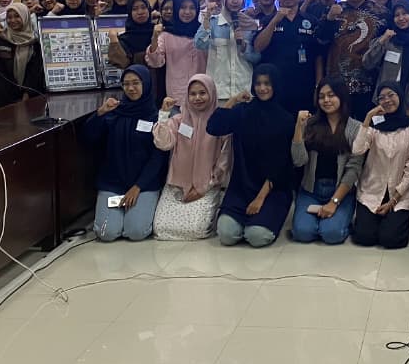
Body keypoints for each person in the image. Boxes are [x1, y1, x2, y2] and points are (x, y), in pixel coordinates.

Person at [207, 65, 295, 248]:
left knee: (257, 236)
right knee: (226, 234)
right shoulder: (243, 111)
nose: (262, 88)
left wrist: (260, 199)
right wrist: (233, 100)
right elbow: (214, 126)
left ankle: (258, 223)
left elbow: (281, 165)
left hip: (272, 189)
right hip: (242, 187)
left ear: (275, 85)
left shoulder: (285, 119)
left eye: (267, 83)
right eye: (258, 83)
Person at [80, 66, 168, 242]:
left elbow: (158, 157)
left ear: (146, 84)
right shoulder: (114, 112)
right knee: (106, 233)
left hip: (143, 185)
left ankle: (138, 211)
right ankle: (120, 217)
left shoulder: (155, 117)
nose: (131, 88)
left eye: (136, 83)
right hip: (113, 183)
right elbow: (88, 137)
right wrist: (100, 113)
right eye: (126, 84)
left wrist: (138, 186)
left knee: (136, 231)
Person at [152, 74, 232, 240]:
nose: (197, 98)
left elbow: (224, 160)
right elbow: (163, 144)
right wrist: (164, 115)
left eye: (202, 93)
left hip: (207, 185)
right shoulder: (178, 120)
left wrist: (205, 187)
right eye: (193, 94)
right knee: (160, 228)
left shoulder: (220, 123)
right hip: (177, 185)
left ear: (211, 93)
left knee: (196, 229)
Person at [350, 82, 409, 249]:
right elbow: (357, 150)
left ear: (400, 97)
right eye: (382, 97)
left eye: (391, 95)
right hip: (372, 190)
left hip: (400, 193)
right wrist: (368, 118)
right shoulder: (374, 126)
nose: (387, 100)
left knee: (391, 240)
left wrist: (393, 200)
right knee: (364, 238)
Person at [291, 78, 363, 244]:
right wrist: (299, 127)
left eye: (331, 95)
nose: (326, 100)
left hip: (340, 191)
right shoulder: (309, 124)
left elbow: (353, 170)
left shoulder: (356, 128)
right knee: (303, 233)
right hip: (311, 190)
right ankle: (317, 221)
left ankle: (336, 221)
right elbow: (299, 161)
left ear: (342, 96)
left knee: (332, 234)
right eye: (321, 96)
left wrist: (334, 201)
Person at [316, 0, 386, 119]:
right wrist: (329, 20)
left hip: (371, 85)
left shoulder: (382, 12)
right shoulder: (333, 10)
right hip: (337, 87)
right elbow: (320, 41)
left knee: (367, 128)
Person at [253, 0, 323, 115]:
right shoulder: (267, 20)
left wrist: (318, 86)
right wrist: (275, 21)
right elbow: (258, 47)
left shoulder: (311, 21)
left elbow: (318, 57)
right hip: (274, 88)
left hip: (304, 87)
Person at [363, 0, 409, 117]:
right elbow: (367, 63)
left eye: (405, 13)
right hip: (384, 101)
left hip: (408, 102)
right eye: (396, 15)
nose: (401, 18)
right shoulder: (388, 39)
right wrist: (381, 41)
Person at [195, 0, 260, 102]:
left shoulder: (250, 24)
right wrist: (207, 18)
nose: (235, 1)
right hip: (219, 92)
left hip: (243, 90)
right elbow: (199, 44)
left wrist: (244, 46)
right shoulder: (213, 22)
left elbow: (256, 58)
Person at [145, 0, 208, 110]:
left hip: (203, 95)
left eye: (192, 8)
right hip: (176, 97)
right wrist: (154, 38)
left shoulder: (204, 33)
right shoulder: (166, 34)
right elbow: (156, 62)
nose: (187, 12)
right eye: (183, 7)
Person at [0, 3, 45, 106]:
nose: (12, 20)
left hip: (30, 98)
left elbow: (34, 73)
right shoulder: (2, 39)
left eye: (17, 16)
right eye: (9, 17)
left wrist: (26, 96)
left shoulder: (35, 43)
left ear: (25, 17)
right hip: (5, 98)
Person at [107, 0, 156, 69]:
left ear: (149, 9)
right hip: (134, 76)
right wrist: (114, 41)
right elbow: (122, 63)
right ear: (130, 13)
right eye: (135, 9)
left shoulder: (157, 33)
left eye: (143, 7)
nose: (140, 12)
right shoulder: (124, 39)